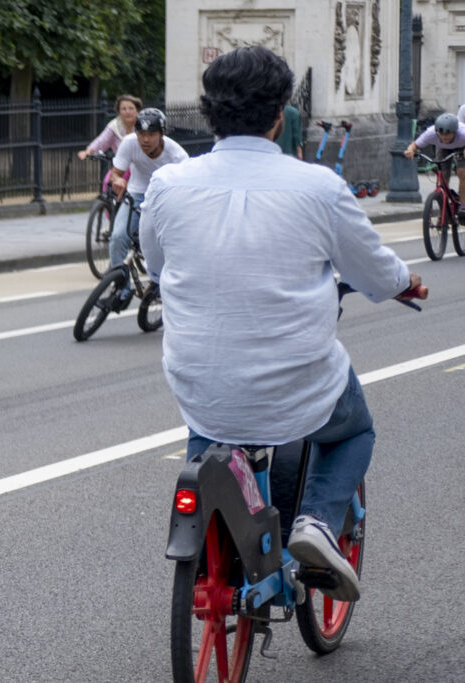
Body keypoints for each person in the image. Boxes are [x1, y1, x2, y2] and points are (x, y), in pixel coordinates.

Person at [139, 46, 425, 602]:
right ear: (280, 114)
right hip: (298, 388)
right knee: (354, 429)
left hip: (201, 382)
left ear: (207, 112)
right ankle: (316, 521)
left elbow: (157, 265)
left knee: (211, 422)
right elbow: (372, 268)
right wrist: (402, 283)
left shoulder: (168, 187)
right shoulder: (319, 188)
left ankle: (218, 527)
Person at [108, 108, 188, 286]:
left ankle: (163, 284)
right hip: (137, 193)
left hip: (165, 198)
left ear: (162, 134)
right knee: (118, 237)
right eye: (141, 133)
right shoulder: (129, 143)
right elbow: (116, 173)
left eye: (151, 134)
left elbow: (186, 188)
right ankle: (121, 288)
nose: (145, 139)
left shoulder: (177, 155)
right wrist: (118, 180)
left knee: (166, 243)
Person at [404, 112, 465, 198]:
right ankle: (443, 198)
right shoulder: (431, 133)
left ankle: (463, 205)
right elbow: (415, 145)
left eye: (447, 134)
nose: (444, 137)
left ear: (455, 132)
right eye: (441, 133)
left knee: (462, 172)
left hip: (462, 146)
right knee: (442, 173)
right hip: (443, 147)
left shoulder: (463, 133)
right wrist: (410, 150)